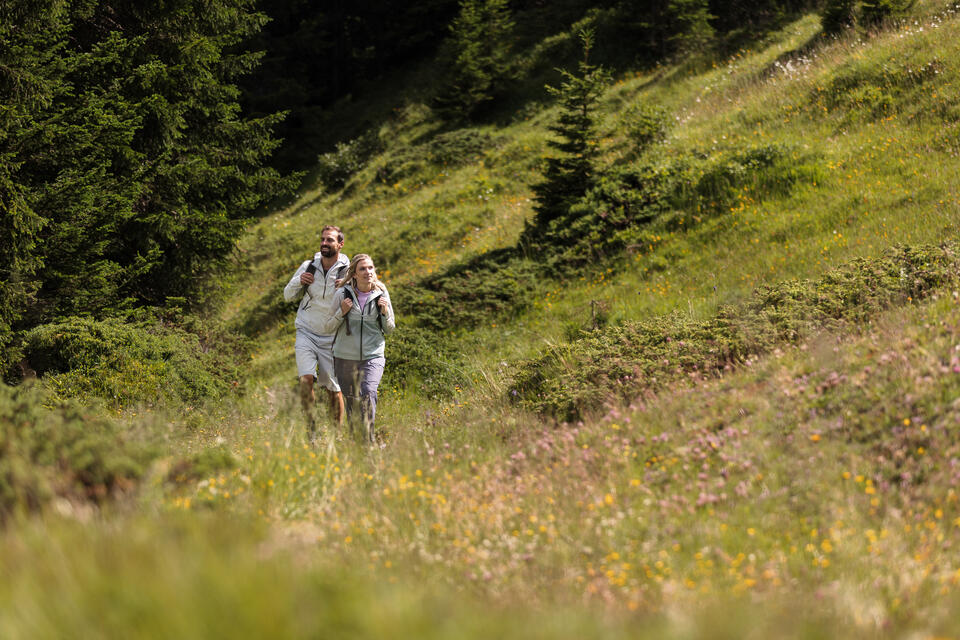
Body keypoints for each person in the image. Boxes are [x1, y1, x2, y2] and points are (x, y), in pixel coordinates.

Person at [283, 225, 349, 437]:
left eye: (329, 240)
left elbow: (359, 300)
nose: (324, 243)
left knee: (333, 387)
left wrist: (346, 287)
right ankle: (311, 430)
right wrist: (299, 281)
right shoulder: (308, 266)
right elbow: (287, 295)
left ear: (340, 244)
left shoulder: (348, 271)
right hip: (307, 331)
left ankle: (336, 434)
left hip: (332, 335)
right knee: (306, 379)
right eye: (322, 239)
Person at [321, 253, 395, 443]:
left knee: (368, 392)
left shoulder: (381, 292)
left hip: (373, 355)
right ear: (354, 273)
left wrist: (385, 313)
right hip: (344, 358)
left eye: (371, 268)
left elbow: (390, 329)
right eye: (362, 269)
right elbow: (328, 326)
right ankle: (356, 443)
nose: (368, 272)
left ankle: (368, 441)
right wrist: (341, 312)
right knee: (353, 401)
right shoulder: (342, 294)